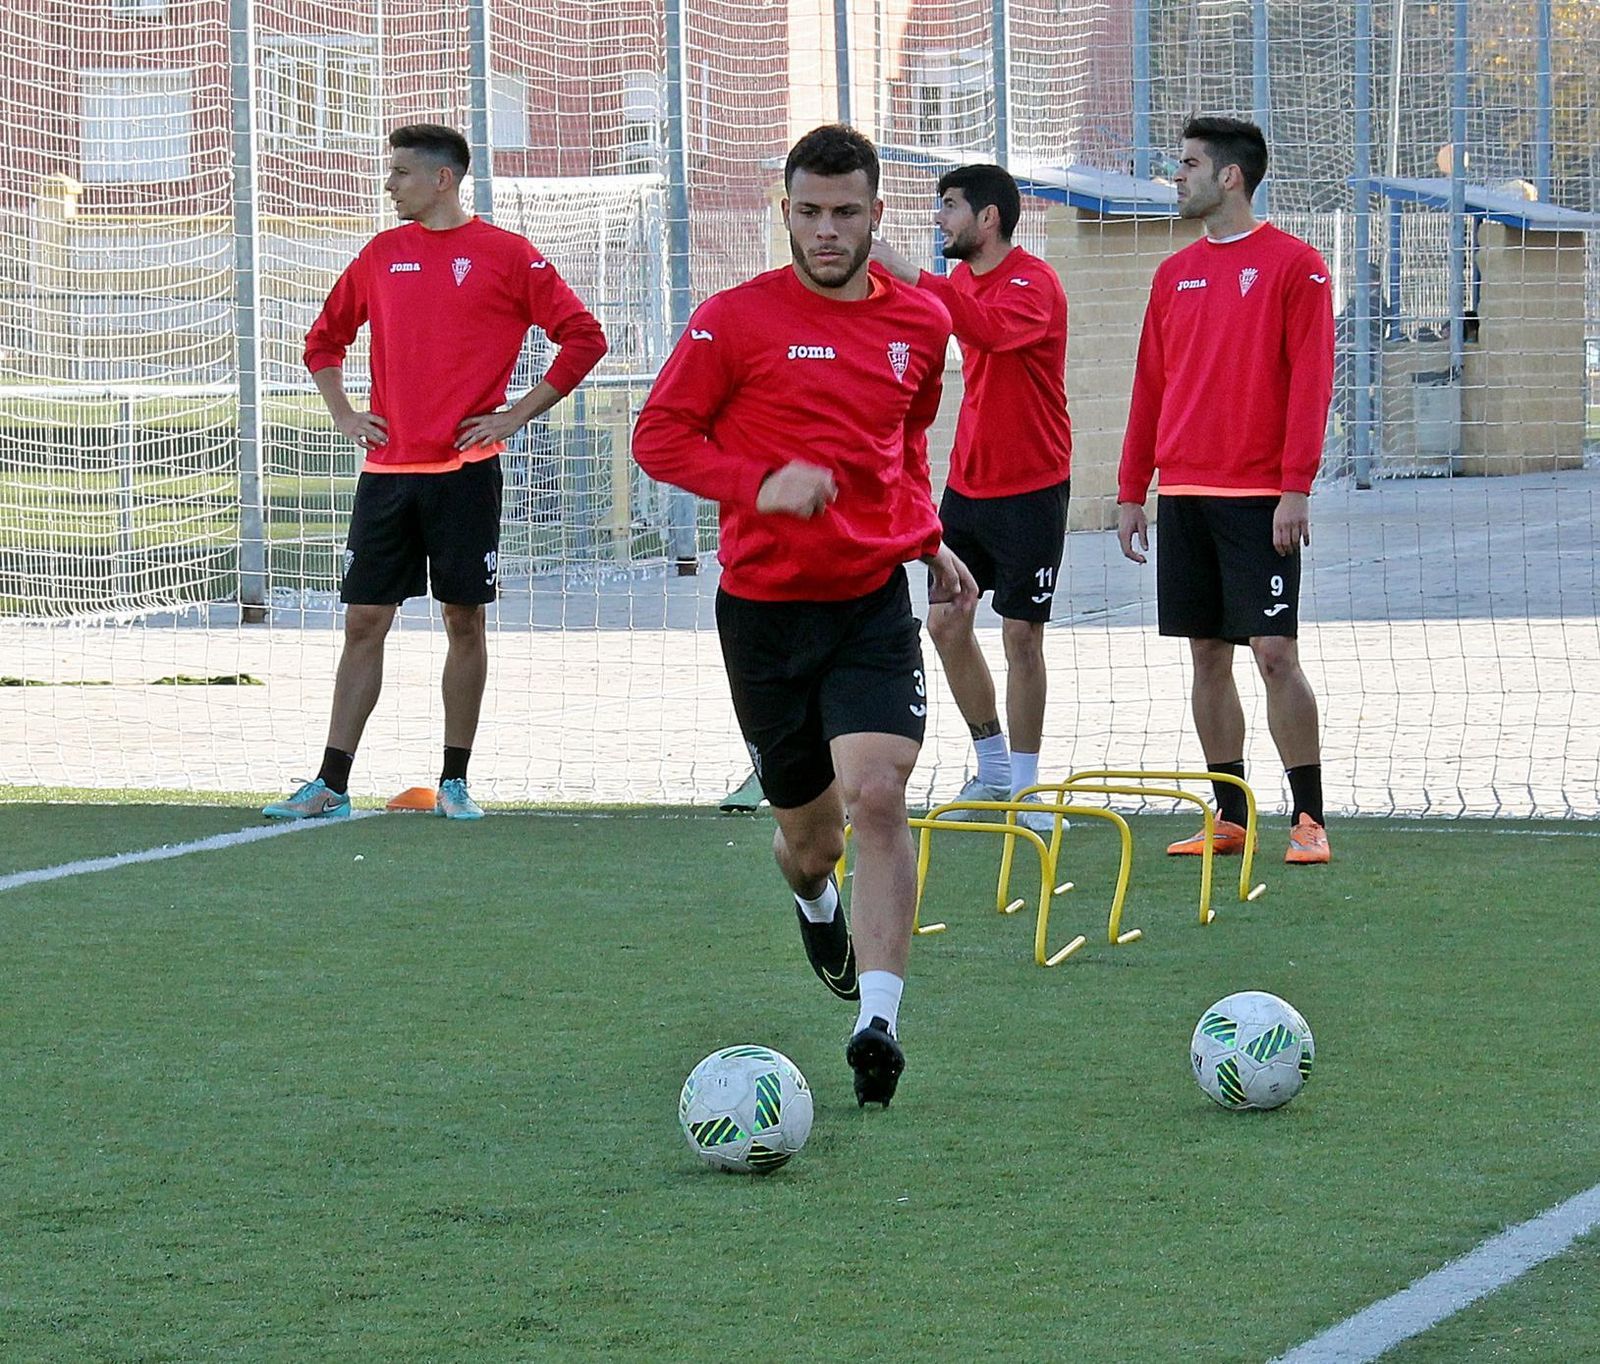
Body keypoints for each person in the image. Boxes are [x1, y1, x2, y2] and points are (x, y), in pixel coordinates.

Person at [632, 124, 976, 1107]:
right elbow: (658, 435)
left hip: (868, 601)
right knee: (809, 838)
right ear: (785, 211)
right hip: (762, 614)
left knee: (877, 793)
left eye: (847, 213)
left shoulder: (920, 326)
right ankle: (814, 899)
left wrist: (924, 536)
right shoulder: (732, 320)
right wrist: (758, 483)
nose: (828, 232)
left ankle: (878, 1021)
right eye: (810, 213)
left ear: (877, 214)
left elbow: (898, 457)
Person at [263, 124, 606, 822]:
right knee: (364, 619)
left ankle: (455, 781)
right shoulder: (381, 255)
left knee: (463, 620)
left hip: (466, 473)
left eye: (400, 174)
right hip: (387, 473)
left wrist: (517, 415)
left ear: (442, 179)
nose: (388, 185)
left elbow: (584, 337)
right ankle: (330, 782)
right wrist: (345, 414)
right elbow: (323, 341)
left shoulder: (507, 255)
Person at [1117, 116, 1334, 865]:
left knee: (1274, 651)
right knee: (1207, 654)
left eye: (1187, 164)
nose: (1177, 176)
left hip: (1258, 499)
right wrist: (1129, 488)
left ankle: (1309, 819)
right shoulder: (1172, 275)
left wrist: (1295, 486)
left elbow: (1312, 385)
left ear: (1230, 176)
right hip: (1182, 496)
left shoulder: (1296, 265)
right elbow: (1150, 386)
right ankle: (1230, 815)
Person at [870, 164, 1071, 831]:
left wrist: (903, 269)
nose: (938, 218)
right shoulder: (957, 282)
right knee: (947, 621)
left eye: (949, 206)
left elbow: (985, 329)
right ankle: (990, 769)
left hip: (1034, 487)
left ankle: (1027, 787)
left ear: (989, 218)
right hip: (967, 485)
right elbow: (934, 325)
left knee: (1021, 635)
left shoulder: (1034, 284)